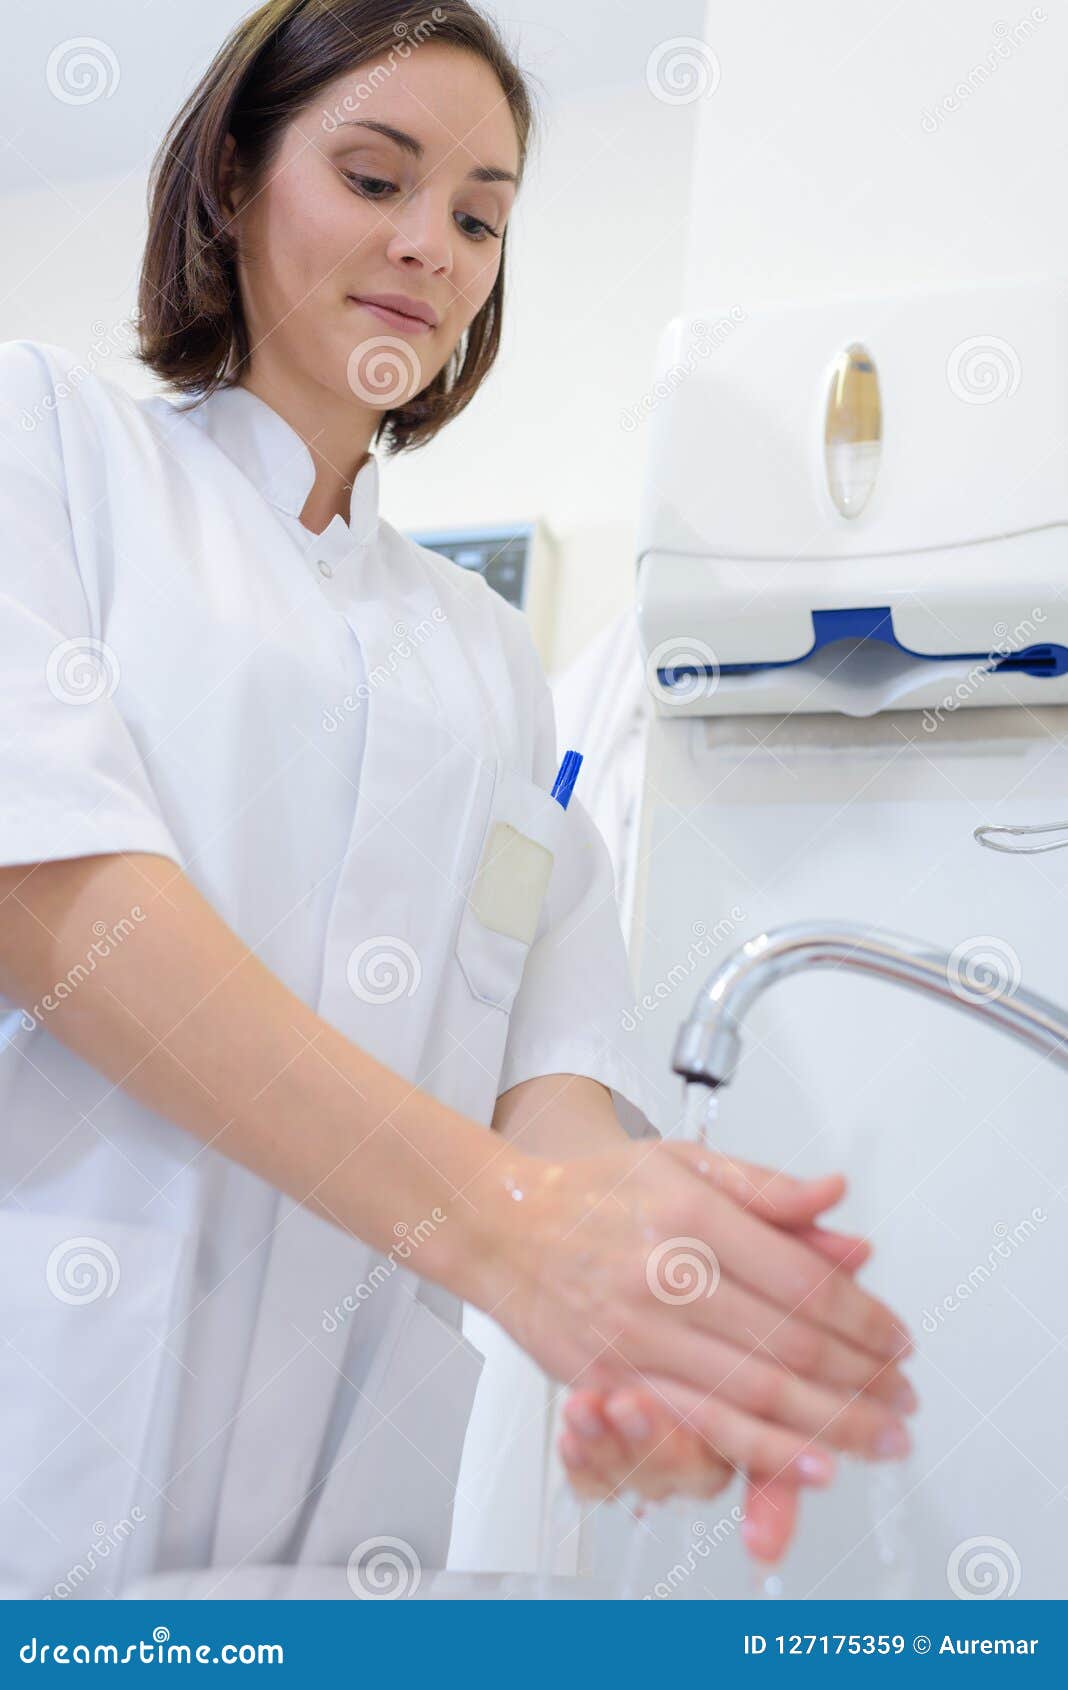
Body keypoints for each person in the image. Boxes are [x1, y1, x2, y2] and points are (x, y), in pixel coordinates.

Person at [0, 0, 914, 1598]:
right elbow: (44, 883)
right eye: (374, 177)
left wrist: (659, 1306)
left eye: (481, 213)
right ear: (230, 177)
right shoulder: (54, 449)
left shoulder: (488, 656)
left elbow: (541, 1066)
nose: (433, 245)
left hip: (335, 1532)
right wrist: (509, 1234)